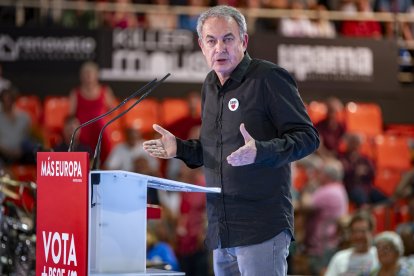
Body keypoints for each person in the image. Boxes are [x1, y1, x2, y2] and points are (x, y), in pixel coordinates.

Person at [143, 5, 320, 275]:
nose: (219, 48)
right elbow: (213, 152)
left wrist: (261, 150)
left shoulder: (269, 78)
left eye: (228, 39)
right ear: (201, 46)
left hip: (261, 226)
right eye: (211, 41)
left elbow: (308, 138)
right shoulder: (209, 86)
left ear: (244, 41)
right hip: (221, 229)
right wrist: (179, 148)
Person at [68, 61, 116, 164]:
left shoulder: (105, 91)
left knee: (102, 128)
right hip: (83, 129)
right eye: (86, 74)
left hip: (99, 129)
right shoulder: (75, 93)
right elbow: (70, 116)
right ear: (81, 76)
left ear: (96, 75)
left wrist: (104, 120)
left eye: (90, 74)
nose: (88, 77)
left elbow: (113, 111)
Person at [325, 211, 379, 276]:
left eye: (363, 231)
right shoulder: (339, 258)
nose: (358, 236)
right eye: (355, 231)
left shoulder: (380, 257)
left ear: (372, 232)